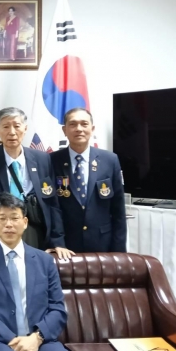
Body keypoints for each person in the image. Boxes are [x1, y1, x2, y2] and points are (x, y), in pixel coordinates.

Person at [0, 193, 78, 351]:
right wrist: (14, 341)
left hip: (39, 339)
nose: (8, 224)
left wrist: (36, 338)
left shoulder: (44, 260)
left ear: (25, 222)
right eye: (2, 218)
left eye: (14, 218)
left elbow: (57, 308)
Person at [0, 108, 72, 258]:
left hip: (35, 231)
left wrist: (57, 241)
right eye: (6, 126)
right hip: (1, 232)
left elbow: (52, 203)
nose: (12, 132)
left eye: (17, 126)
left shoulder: (42, 158)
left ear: (25, 129)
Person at [50, 108, 127, 253]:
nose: (79, 129)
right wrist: (57, 242)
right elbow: (53, 207)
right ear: (64, 130)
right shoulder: (52, 161)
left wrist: (119, 251)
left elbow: (118, 209)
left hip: (102, 243)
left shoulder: (110, 160)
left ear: (92, 129)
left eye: (84, 124)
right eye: (73, 124)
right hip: (66, 246)